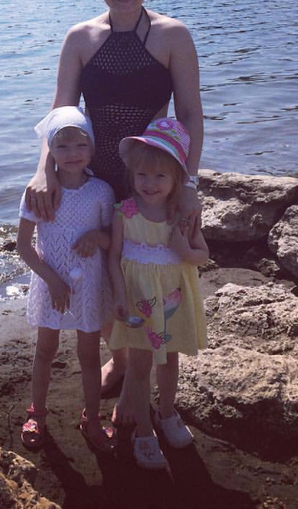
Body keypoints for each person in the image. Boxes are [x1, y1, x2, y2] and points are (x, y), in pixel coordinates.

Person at [24, 0, 204, 394]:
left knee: (149, 273)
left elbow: (190, 115)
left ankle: (145, 376)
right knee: (98, 270)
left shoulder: (172, 35)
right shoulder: (80, 38)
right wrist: (44, 171)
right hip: (91, 176)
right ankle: (120, 359)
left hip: (151, 178)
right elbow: (60, 112)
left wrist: (187, 183)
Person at [108, 118, 208, 469]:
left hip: (173, 298)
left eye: (160, 176)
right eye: (142, 175)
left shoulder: (181, 214)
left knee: (170, 358)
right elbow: (113, 257)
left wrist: (184, 249)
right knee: (140, 365)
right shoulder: (124, 212)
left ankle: (167, 413)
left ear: (177, 177)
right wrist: (118, 295)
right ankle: (144, 431)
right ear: (132, 174)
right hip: (139, 300)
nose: (149, 184)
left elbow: (202, 254)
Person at [17, 106, 117, 453]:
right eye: (62, 146)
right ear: (50, 150)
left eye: (80, 145)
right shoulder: (39, 192)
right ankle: (37, 414)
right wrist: (53, 281)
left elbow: (113, 240)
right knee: (45, 350)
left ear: (92, 147)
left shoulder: (101, 191)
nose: (72, 153)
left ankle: (92, 418)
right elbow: (23, 246)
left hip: (88, 285)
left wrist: (97, 237)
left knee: (89, 354)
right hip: (51, 285)